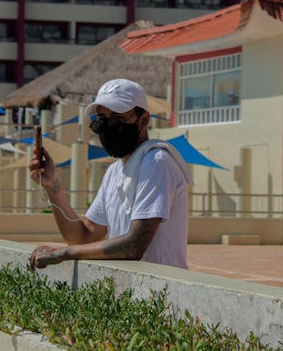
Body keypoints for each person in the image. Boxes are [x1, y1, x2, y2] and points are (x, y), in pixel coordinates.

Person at [28, 78, 193, 270]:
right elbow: (82, 237)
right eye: (102, 121)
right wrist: (52, 186)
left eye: (116, 118)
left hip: (161, 294)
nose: (108, 127)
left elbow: (134, 245)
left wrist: (63, 253)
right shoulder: (115, 171)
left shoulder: (156, 162)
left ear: (144, 120)